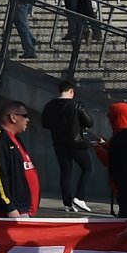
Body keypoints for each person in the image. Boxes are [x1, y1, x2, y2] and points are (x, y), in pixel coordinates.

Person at [40, 82, 96, 215]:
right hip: (77, 142)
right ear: (71, 91)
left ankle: (67, 203)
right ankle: (80, 197)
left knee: (66, 171)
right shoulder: (76, 105)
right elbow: (89, 122)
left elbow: (45, 123)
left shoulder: (49, 106)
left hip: (58, 142)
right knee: (87, 168)